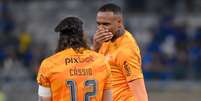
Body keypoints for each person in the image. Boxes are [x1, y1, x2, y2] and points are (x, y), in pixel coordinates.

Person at [37, 17, 112, 101]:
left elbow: (44, 99)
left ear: (60, 39)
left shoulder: (49, 64)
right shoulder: (102, 62)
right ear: (83, 35)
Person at [93, 4, 148, 101]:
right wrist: (95, 48)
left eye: (106, 24)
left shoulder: (126, 50)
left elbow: (139, 90)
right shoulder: (104, 40)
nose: (101, 28)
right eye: (98, 24)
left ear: (119, 23)